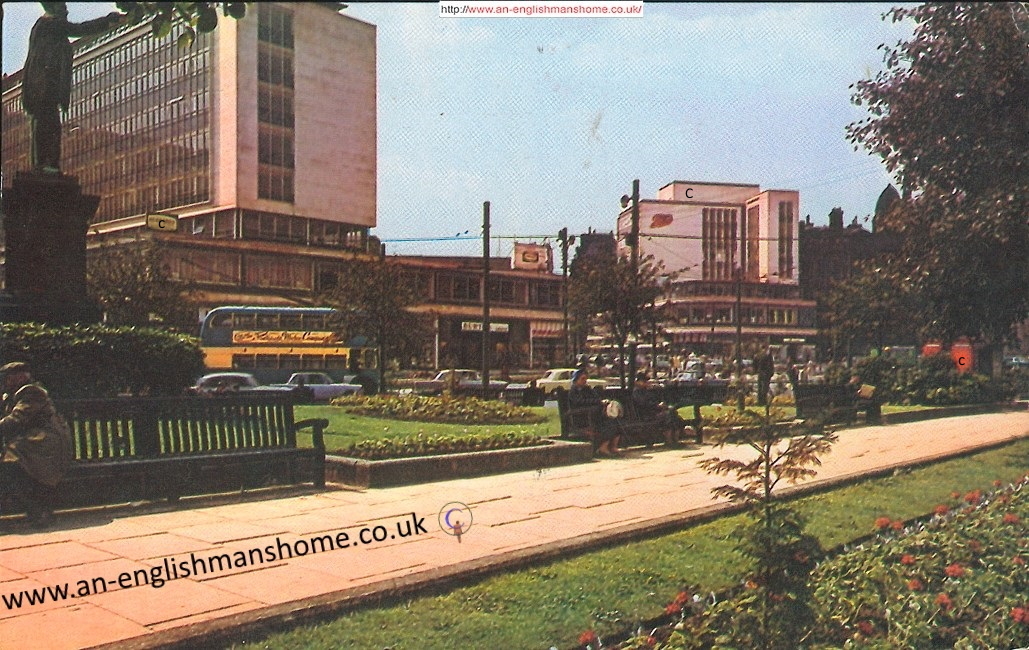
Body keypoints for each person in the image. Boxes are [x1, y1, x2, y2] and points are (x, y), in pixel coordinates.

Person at [22, 3, 123, 172]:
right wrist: (108, 21)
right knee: (48, 126)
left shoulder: (44, 28)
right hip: (43, 88)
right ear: (53, 8)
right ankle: (45, 165)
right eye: (62, 6)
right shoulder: (50, 26)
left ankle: (45, 164)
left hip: (43, 87)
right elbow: (80, 29)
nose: (66, 10)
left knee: (47, 126)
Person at [0, 362, 74, 527]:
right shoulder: (14, 394)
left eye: (9, 378)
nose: (5, 381)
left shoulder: (32, 392)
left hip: (46, 443)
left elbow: (17, 419)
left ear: (21, 377)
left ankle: (39, 512)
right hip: (33, 443)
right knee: (10, 463)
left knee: (9, 464)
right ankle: (37, 511)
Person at [568, 368, 621, 456]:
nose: (584, 381)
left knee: (614, 422)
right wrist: (596, 402)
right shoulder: (573, 392)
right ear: (576, 380)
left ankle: (612, 447)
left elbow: (596, 399)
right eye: (582, 379)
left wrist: (603, 402)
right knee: (605, 425)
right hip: (582, 417)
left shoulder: (588, 389)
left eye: (586, 379)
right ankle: (602, 448)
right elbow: (579, 402)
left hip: (594, 415)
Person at [631, 372, 684, 446]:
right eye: (644, 381)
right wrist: (657, 405)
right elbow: (643, 404)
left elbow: (655, 400)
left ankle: (675, 439)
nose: (646, 383)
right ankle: (669, 440)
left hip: (655, 412)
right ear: (637, 382)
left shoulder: (647, 390)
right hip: (646, 414)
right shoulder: (637, 392)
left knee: (674, 414)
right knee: (668, 415)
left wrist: (662, 405)